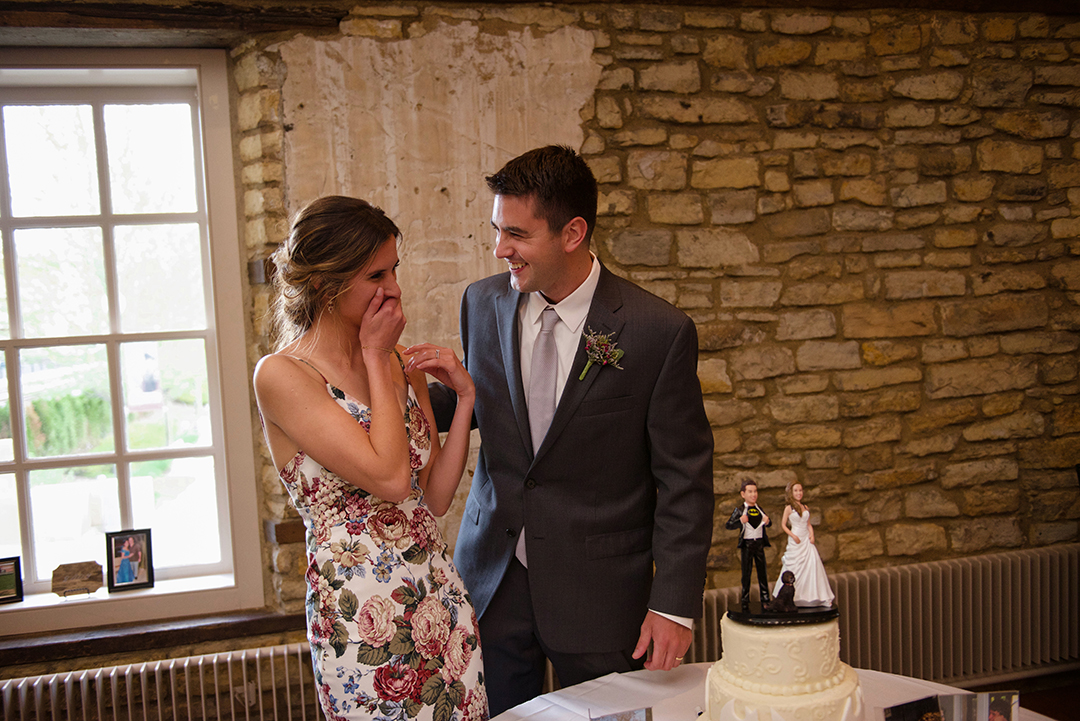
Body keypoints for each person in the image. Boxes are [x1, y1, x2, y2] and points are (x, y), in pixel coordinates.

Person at [429, 145, 714, 715]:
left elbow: (684, 479)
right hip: (493, 578)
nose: (498, 249)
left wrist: (674, 605)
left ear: (573, 232)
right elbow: (484, 404)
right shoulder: (481, 303)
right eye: (495, 230)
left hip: (603, 596)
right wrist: (374, 389)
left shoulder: (658, 332)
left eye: (516, 234)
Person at [253, 196, 488, 721]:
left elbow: (432, 498)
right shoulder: (284, 376)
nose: (395, 288)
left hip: (438, 598)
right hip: (365, 620)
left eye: (394, 269)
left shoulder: (401, 362)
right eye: (376, 274)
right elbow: (387, 475)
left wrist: (466, 402)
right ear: (325, 285)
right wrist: (377, 356)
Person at [771, 481, 834, 607]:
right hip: (796, 539)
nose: (799, 493)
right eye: (796, 491)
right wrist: (793, 535)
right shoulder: (789, 508)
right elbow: (783, 525)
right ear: (791, 493)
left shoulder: (805, 507)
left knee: (812, 563)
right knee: (794, 565)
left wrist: (812, 535)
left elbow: (808, 524)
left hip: (806, 539)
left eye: (800, 490)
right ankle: (792, 596)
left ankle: (813, 595)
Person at [725, 479, 771, 609]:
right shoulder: (739, 510)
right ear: (743, 494)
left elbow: (770, 522)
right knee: (746, 573)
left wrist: (767, 521)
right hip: (747, 544)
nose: (753, 494)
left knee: (762, 571)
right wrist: (740, 521)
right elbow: (728, 525)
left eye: (755, 491)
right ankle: (745, 599)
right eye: (750, 491)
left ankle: (765, 597)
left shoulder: (759, 509)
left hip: (759, 543)